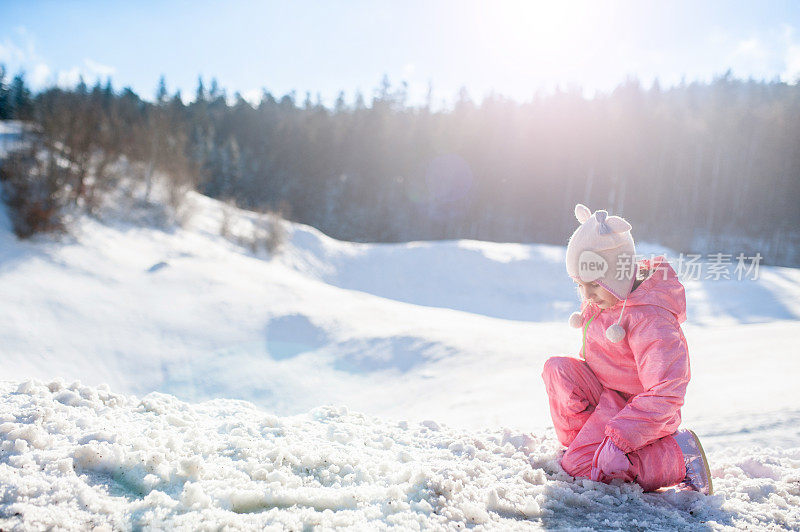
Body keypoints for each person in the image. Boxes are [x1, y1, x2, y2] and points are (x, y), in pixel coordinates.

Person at [541, 203, 713, 494]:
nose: (586, 296)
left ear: (615, 275)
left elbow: (667, 391)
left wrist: (619, 437)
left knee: (582, 471)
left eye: (593, 284)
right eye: (578, 285)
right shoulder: (608, 296)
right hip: (609, 395)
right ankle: (588, 446)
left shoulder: (651, 319)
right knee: (557, 370)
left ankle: (678, 456)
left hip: (642, 412)